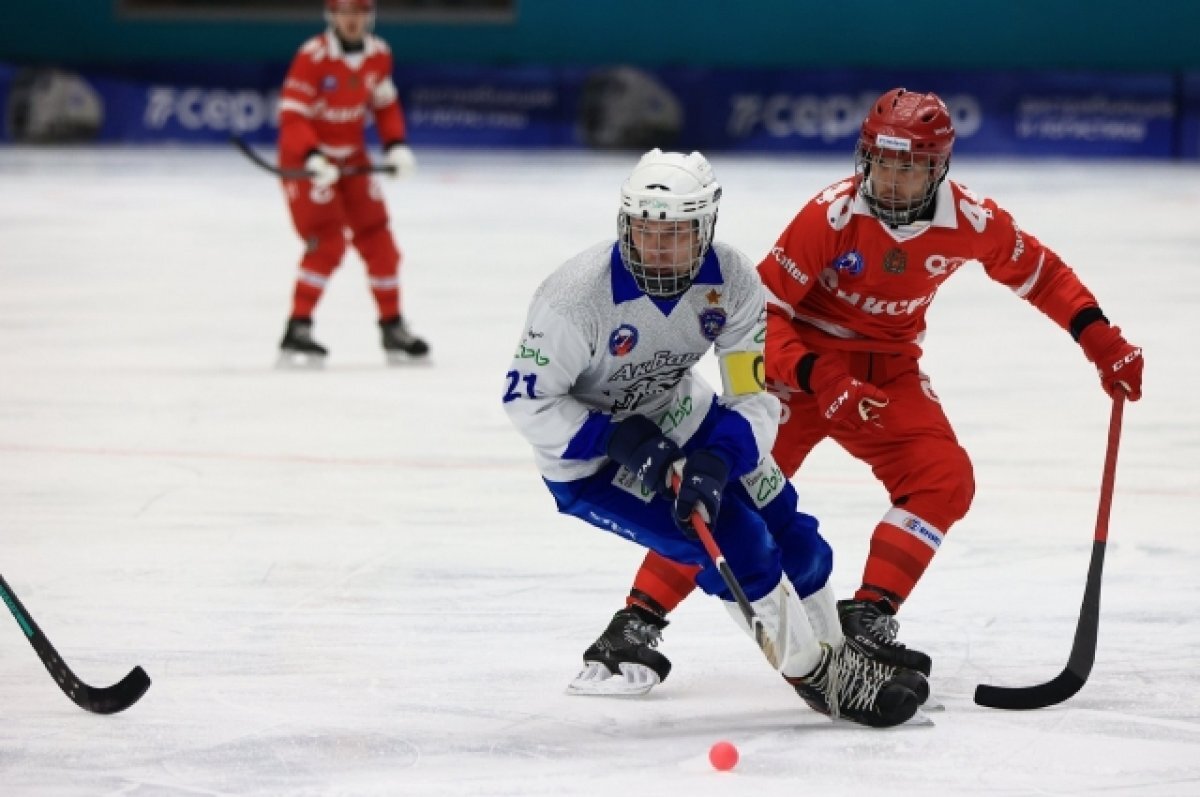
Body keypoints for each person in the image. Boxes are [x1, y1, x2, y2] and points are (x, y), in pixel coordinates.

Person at [572, 87, 1145, 690]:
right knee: (724, 490)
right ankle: (635, 621)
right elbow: (762, 314)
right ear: (863, 158)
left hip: (888, 370)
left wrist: (1102, 340)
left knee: (943, 478)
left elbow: (1040, 272)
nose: (891, 179)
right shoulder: (831, 215)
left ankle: (868, 615)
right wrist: (821, 377)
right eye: (882, 163)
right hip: (801, 370)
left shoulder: (971, 220)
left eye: (910, 166)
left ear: (938, 168)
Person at [503, 148, 929, 728]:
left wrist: (719, 456)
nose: (657, 247)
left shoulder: (732, 281)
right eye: (646, 230)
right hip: (589, 463)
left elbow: (751, 394)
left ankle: (838, 651)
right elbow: (526, 401)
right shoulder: (575, 298)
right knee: (738, 541)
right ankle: (818, 676)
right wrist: (619, 439)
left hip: (682, 411)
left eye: (676, 233)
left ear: (705, 229)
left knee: (793, 531)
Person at [275, 0, 429, 366]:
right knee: (326, 243)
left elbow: (385, 104)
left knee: (380, 241)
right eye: (345, 11)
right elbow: (293, 117)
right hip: (307, 162)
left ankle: (392, 326)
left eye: (359, 11)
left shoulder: (379, 55)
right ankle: (297, 327)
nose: (352, 19)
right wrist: (312, 156)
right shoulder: (312, 56)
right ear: (332, 16)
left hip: (352, 159)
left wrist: (396, 145)